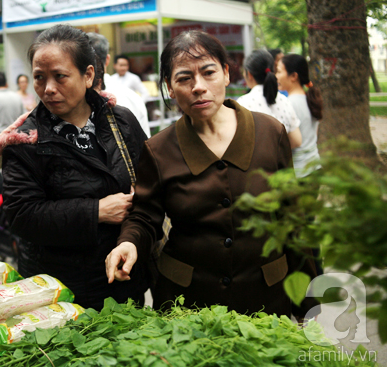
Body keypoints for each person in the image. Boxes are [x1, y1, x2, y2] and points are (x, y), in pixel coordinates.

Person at [105, 30, 318, 320]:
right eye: (184, 78)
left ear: (227, 74)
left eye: (208, 72)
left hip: (265, 297)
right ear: (169, 86)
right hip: (189, 303)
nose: (199, 87)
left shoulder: (270, 132)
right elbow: (145, 215)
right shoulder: (158, 150)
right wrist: (128, 242)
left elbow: (292, 218)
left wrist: (310, 308)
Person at [0, 25, 149, 311]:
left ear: (88, 75)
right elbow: (21, 215)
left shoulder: (121, 122)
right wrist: (96, 212)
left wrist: (131, 239)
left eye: (60, 77)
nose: (48, 88)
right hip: (59, 294)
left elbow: (150, 187)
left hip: (125, 281)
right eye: (39, 77)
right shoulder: (25, 140)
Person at [87, 32, 151, 137]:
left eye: (125, 65)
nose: (123, 68)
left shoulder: (133, 83)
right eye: (121, 65)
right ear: (109, 61)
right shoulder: (132, 97)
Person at [238, 49, 303, 149]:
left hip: (255, 164)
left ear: (249, 74)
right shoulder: (284, 101)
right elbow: (297, 141)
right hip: (281, 163)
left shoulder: (242, 103)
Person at [276, 54, 323, 178]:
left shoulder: (288, 103)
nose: (276, 76)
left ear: (293, 76)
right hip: (314, 167)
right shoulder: (311, 99)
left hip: (299, 172)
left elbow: (288, 143)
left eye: (279, 71)